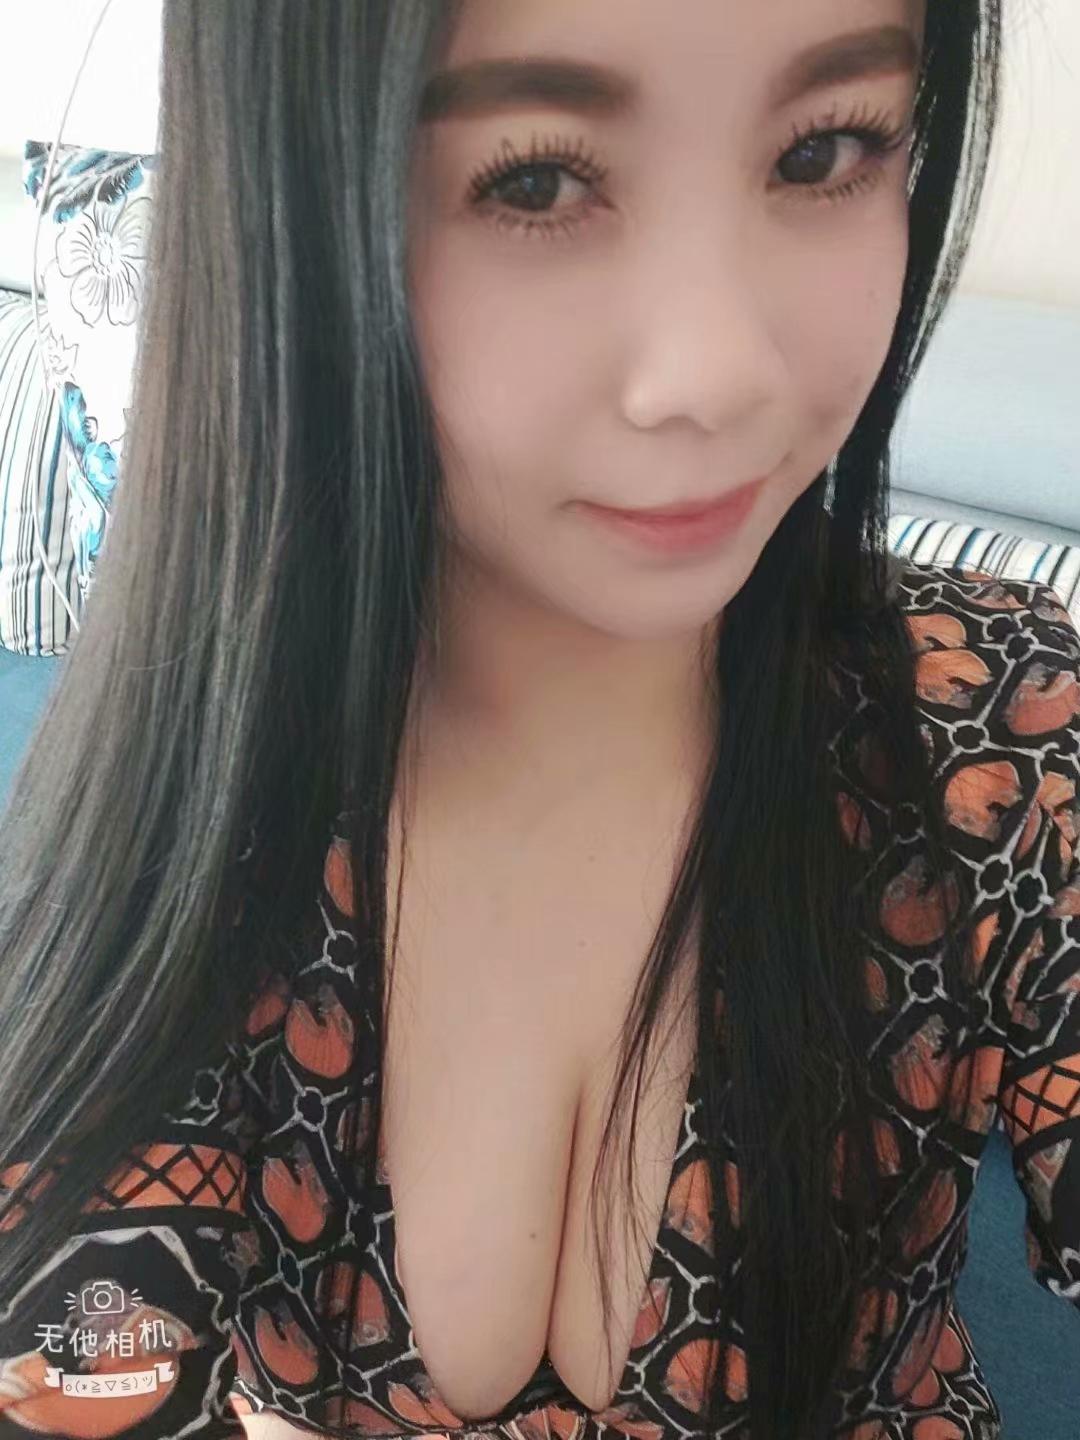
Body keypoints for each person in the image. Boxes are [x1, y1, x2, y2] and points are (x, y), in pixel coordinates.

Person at [0, 1, 1076, 1438]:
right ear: (291, 208)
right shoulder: (202, 820)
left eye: (825, 151)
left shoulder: (1000, 721)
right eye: (537, 178)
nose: (719, 372)